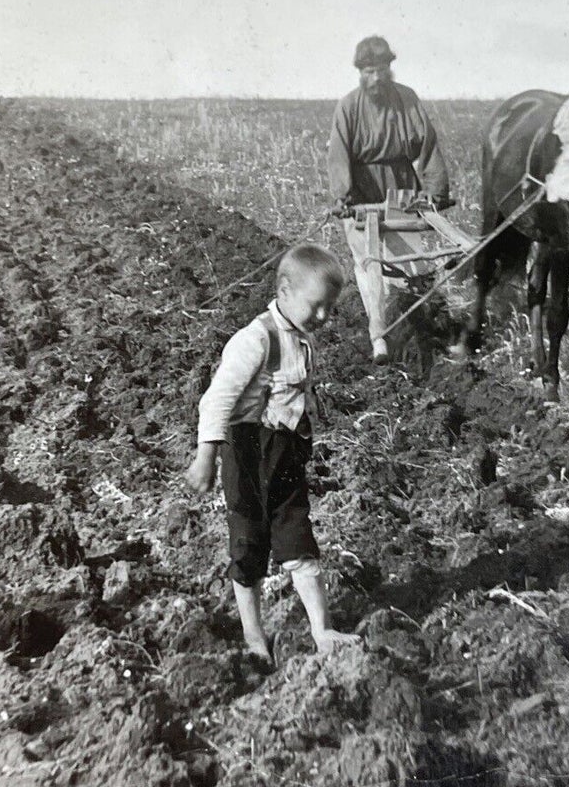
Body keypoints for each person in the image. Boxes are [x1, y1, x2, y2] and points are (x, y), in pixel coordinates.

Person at [185, 243, 357, 662]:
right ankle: (253, 636)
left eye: (329, 309)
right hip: (247, 454)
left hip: (285, 456)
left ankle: (323, 630)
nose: (323, 318)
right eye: (316, 307)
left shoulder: (300, 338)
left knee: (299, 538)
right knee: (248, 544)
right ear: (284, 290)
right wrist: (205, 455)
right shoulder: (256, 339)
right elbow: (217, 401)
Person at [328, 36, 452, 361]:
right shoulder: (349, 107)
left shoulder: (407, 100)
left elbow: (427, 146)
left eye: (382, 70)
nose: (377, 78)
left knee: (409, 262)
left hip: (401, 187)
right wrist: (343, 197)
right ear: (360, 72)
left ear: (390, 69)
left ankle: (422, 332)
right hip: (361, 190)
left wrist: (436, 191)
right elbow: (339, 155)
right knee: (368, 261)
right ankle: (378, 333)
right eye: (370, 71)